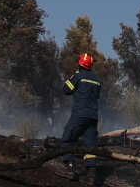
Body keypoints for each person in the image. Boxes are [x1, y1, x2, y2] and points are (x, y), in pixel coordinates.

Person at [60, 53, 101, 184]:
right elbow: (97, 97)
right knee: (90, 146)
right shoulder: (97, 80)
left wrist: (72, 78)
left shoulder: (78, 76)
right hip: (93, 116)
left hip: (79, 114)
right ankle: (91, 175)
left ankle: (70, 169)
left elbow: (66, 90)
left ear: (80, 63)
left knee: (68, 139)